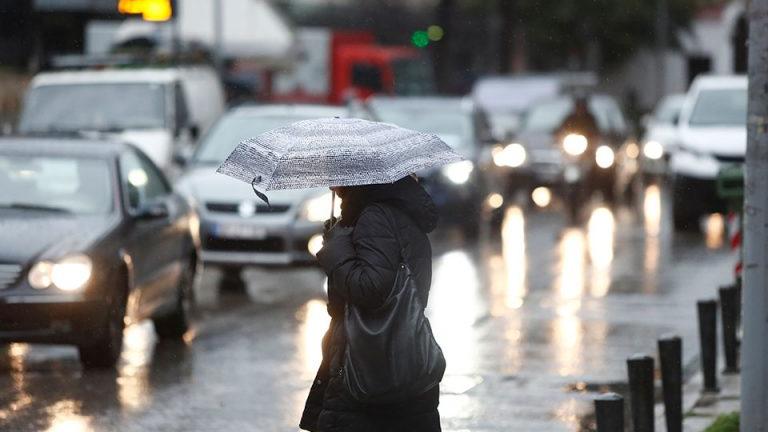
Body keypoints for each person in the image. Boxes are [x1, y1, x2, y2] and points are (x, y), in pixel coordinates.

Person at [299, 175, 442, 432]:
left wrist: (336, 251)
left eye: (338, 175)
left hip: (369, 367)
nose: (332, 185)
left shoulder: (375, 217)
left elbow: (371, 290)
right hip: (402, 359)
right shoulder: (399, 212)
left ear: (358, 177)